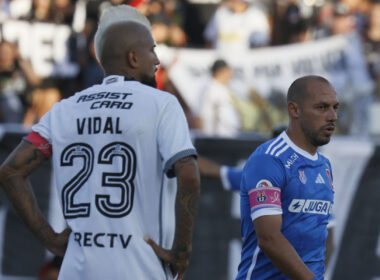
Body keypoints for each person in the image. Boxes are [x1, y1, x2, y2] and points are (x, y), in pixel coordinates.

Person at [0, 5, 200, 280]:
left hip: (77, 269)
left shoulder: (64, 109)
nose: (157, 60)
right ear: (133, 57)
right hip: (140, 269)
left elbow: (10, 171)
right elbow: (189, 176)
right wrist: (182, 250)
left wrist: (50, 239)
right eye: (152, 50)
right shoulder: (162, 104)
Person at [236, 75, 339, 279]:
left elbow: (322, 236)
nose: (332, 116)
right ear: (294, 109)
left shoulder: (323, 164)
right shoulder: (269, 159)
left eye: (335, 107)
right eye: (322, 107)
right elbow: (269, 238)